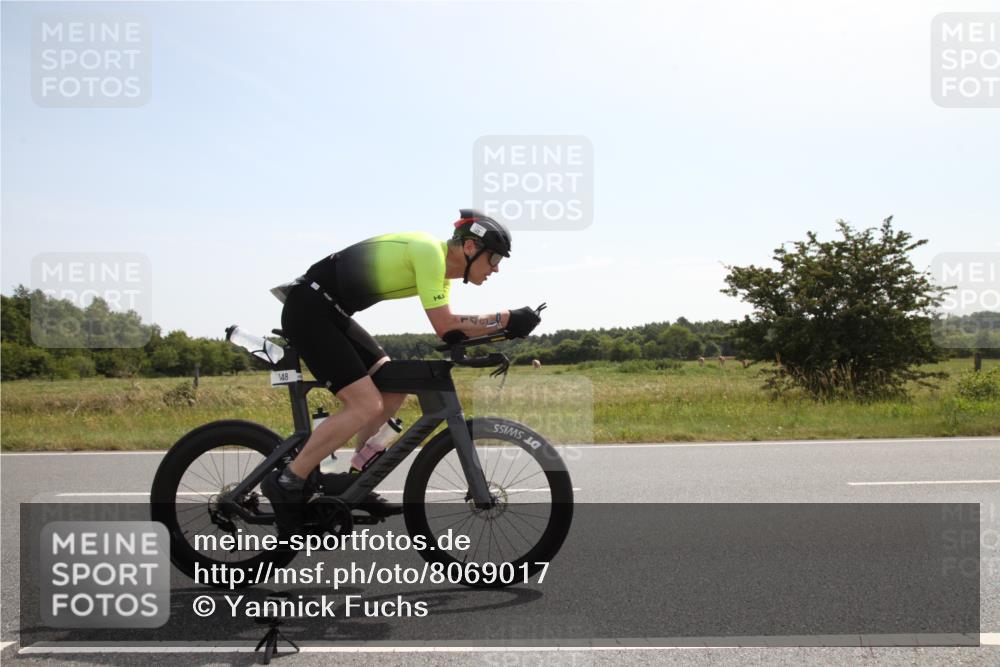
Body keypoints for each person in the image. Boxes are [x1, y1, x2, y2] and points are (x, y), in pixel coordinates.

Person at [261, 209, 542, 537]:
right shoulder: (428, 253)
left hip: (330, 312)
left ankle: (355, 484)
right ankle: (288, 480)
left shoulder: (439, 274)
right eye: (494, 258)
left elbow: (450, 332)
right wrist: (507, 318)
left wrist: (503, 331)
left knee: (392, 388)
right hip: (310, 310)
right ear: (469, 248)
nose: (495, 268)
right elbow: (446, 325)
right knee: (365, 405)